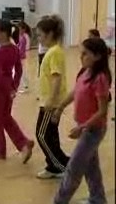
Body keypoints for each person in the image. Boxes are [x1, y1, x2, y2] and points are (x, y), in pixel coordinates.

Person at [53, 38, 111, 204]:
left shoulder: (100, 78)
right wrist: (61, 106)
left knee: (74, 168)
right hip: (84, 127)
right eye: (81, 53)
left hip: (93, 130)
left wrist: (83, 127)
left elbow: (102, 111)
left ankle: (59, 201)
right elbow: (75, 91)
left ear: (98, 56)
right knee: (91, 167)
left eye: (85, 54)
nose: (81, 57)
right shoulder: (85, 72)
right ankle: (98, 199)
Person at [0, 19, 34, 162]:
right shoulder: (14, 48)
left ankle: (1, 150)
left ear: (3, 33)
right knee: (6, 117)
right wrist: (14, 87)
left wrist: (9, 89)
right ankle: (23, 143)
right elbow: (19, 70)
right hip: (9, 89)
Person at [36, 15, 69, 179]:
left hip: (50, 103)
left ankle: (58, 166)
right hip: (50, 101)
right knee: (50, 135)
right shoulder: (54, 51)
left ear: (49, 34)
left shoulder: (55, 53)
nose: (39, 39)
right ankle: (61, 163)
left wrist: (51, 101)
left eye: (40, 35)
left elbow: (57, 78)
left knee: (42, 135)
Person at [17, 21, 31, 93]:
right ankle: (24, 84)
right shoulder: (20, 36)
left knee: (22, 71)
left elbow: (24, 48)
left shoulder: (24, 37)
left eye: (19, 29)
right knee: (20, 71)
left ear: (23, 29)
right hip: (20, 56)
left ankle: (25, 85)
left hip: (22, 56)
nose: (18, 31)